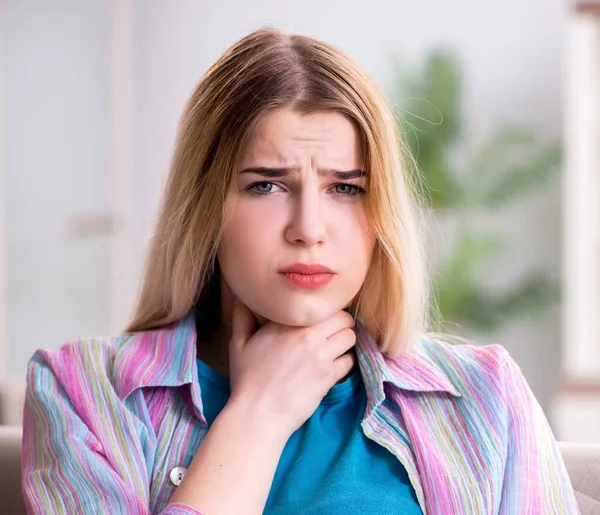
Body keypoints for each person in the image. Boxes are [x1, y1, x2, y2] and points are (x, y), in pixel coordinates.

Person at [21, 27, 579, 515]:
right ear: (205, 206)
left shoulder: (483, 394)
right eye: (266, 185)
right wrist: (257, 415)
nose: (309, 228)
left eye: (346, 188)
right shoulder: (83, 390)